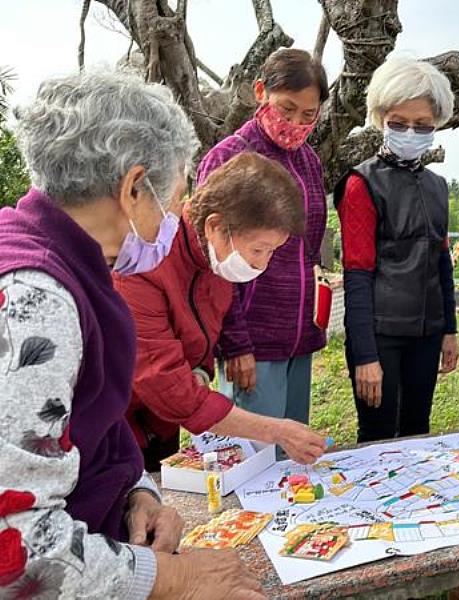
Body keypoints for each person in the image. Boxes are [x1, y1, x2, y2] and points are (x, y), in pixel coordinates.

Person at [0, 71, 265, 600]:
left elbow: (88, 426)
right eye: (176, 197)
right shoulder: (35, 301)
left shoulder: (73, 266)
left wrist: (136, 493)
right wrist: (177, 578)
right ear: (134, 188)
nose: (176, 218)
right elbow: (18, 546)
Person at [114, 152, 327, 471]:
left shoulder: (214, 259)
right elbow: (165, 383)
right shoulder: (144, 262)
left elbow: (199, 329)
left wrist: (199, 372)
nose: (261, 263)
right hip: (115, 428)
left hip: (159, 425)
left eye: (271, 252)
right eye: (258, 249)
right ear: (215, 226)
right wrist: (276, 431)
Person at [196, 49, 328, 435]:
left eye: (308, 115)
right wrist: (235, 344)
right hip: (252, 340)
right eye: (286, 109)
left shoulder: (309, 161)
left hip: (298, 335)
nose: (295, 123)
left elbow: (308, 249)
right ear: (260, 92)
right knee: (255, 452)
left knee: (293, 451)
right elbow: (212, 261)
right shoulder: (229, 158)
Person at [333, 58, 459, 443]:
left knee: (418, 430)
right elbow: (357, 275)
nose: (411, 132)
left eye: (422, 125)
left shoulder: (437, 186)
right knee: (377, 435)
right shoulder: (361, 184)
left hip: (427, 332)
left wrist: (450, 330)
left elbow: (442, 263)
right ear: (381, 118)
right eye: (399, 123)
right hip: (380, 333)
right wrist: (365, 355)